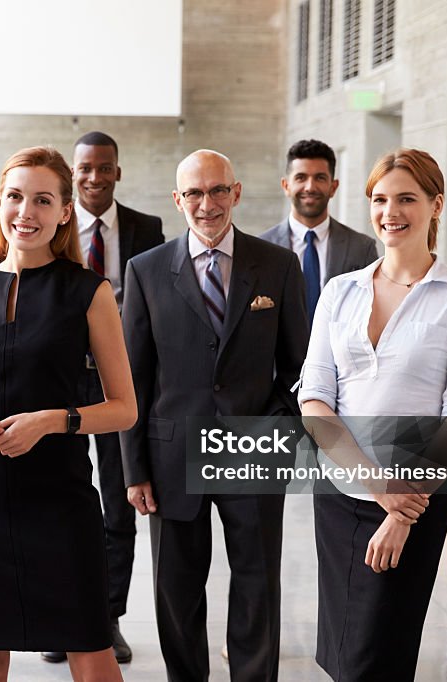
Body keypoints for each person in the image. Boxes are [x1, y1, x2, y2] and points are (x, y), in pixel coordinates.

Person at [0, 146, 136, 682]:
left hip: (59, 492)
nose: (27, 211)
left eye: (43, 200)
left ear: (65, 211)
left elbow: (124, 409)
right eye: (15, 197)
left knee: (90, 646)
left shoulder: (89, 292)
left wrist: (50, 421)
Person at [297, 148, 447, 681]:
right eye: (380, 199)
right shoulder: (340, 291)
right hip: (341, 491)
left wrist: (399, 512)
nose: (391, 211)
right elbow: (313, 395)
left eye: (406, 198)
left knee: (378, 652)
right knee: (340, 653)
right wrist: (370, 482)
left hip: (416, 492)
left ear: (436, 205)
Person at [120, 149, 308, 681]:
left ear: (238, 192)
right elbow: (134, 377)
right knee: (176, 590)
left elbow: (300, 366)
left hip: (254, 448)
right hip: (172, 453)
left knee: (257, 583)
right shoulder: (146, 270)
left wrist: (278, 435)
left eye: (219, 190)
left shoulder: (276, 265)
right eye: (196, 194)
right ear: (178, 200)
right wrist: (134, 470)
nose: (208, 204)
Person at [40, 131, 164, 665]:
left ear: (118, 171)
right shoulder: (56, 224)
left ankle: (106, 617)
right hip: (61, 380)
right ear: (73, 173)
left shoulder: (147, 229)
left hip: (119, 381)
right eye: (85, 168)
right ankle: (55, 618)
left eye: (104, 167)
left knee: (119, 503)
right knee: (56, 501)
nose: (95, 177)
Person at [260, 139, 378, 327]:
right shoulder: (261, 248)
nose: (310, 187)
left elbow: (371, 315)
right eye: (301, 178)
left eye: (320, 178)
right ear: (286, 186)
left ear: (333, 187)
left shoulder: (361, 248)